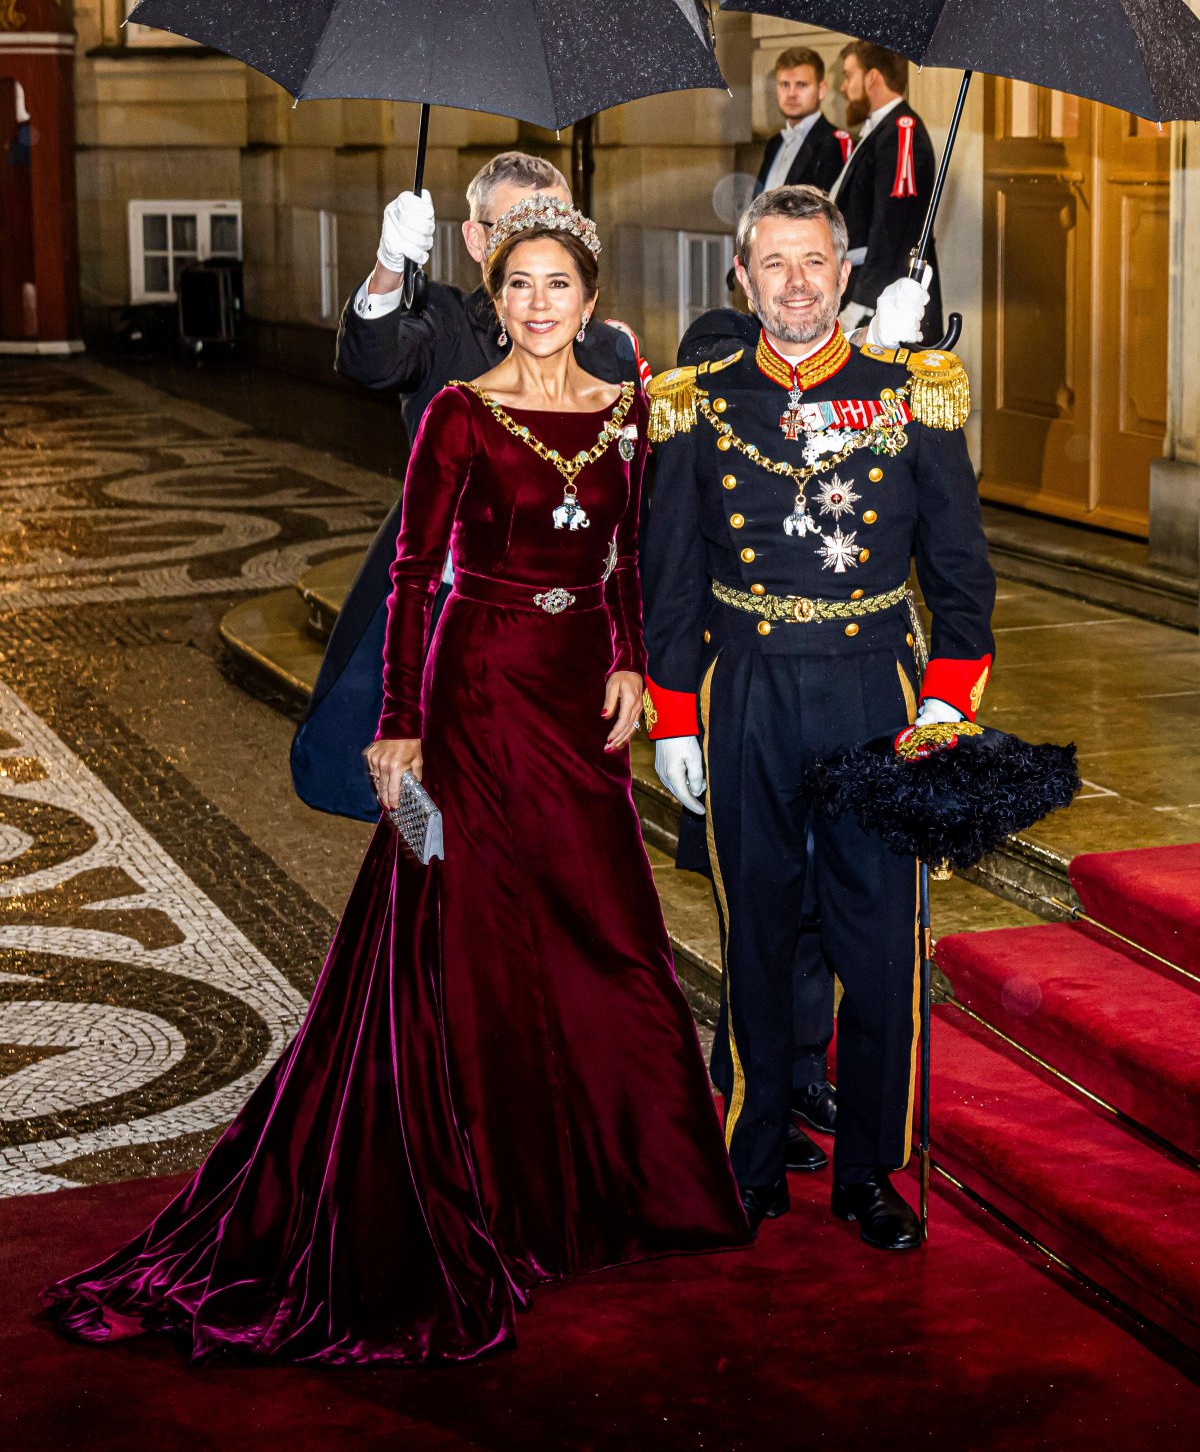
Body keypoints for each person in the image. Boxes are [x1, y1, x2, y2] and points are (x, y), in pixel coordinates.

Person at [44, 195, 749, 1365]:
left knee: (606, 931)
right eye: (516, 284)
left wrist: (630, 655)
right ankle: (473, 1182)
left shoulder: (631, 414)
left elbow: (627, 550)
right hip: (473, 694)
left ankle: (622, 1181)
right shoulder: (463, 417)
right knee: (458, 929)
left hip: (580, 705)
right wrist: (401, 725)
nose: (535, 304)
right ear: (496, 293)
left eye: (556, 285)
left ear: (592, 300)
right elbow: (417, 575)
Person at [642, 184, 995, 1246]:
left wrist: (947, 700)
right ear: (741, 277)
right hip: (745, 688)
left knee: (881, 940)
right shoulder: (693, 402)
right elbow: (669, 581)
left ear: (847, 275)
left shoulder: (911, 393)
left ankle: (866, 1172)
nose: (795, 284)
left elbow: (964, 576)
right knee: (755, 933)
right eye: (773, 263)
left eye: (815, 263)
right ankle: (751, 1158)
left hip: (875, 694)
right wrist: (671, 718)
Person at [291, 151, 645, 821]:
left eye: (557, 221)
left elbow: (634, 506)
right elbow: (369, 360)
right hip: (449, 626)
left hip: (564, 634)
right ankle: (423, 910)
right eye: (517, 225)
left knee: (551, 827)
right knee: (431, 830)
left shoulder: (611, 350)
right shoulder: (442, 323)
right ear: (477, 240)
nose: (540, 245)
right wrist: (392, 263)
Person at [831, 41, 942, 343]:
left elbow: (893, 227)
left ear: (872, 78)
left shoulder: (901, 133)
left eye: (848, 75)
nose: (843, 87)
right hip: (869, 288)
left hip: (886, 300)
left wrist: (861, 303)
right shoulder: (881, 130)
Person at [753, 46, 852, 197]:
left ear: (821, 90)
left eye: (801, 85)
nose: (791, 94)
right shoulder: (774, 143)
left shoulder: (834, 143)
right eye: (785, 84)